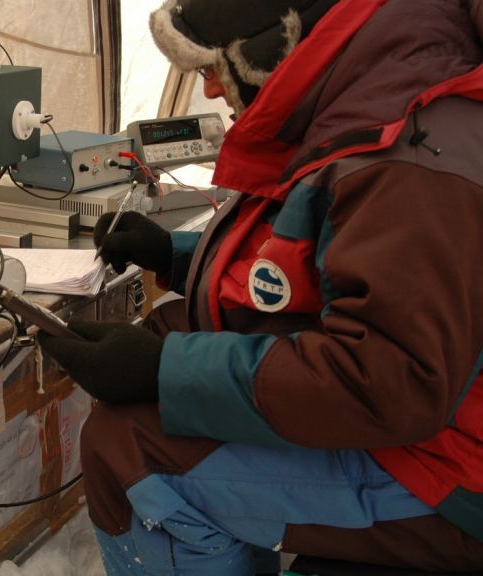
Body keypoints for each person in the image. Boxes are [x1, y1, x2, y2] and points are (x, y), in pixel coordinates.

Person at [38, 0, 483, 574]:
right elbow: (327, 262)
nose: (215, 94)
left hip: (445, 468)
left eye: (211, 71)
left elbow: (394, 378)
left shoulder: (409, 151)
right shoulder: (370, 99)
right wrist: (174, 254)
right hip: (430, 427)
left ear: (267, 50)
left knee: (130, 452)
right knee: (170, 332)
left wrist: (163, 370)